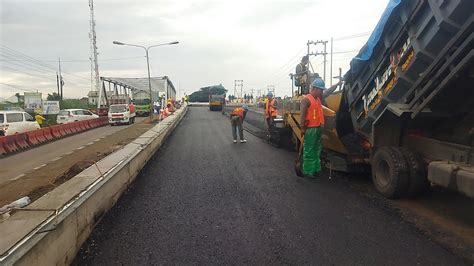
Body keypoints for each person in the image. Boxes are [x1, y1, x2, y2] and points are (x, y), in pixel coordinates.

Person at [300, 78, 326, 178]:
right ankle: (308, 171)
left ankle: (316, 169)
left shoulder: (318, 99)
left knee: (317, 149)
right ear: (314, 88)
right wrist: (302, 127)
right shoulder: (306, 99)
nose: (322, 92)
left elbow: (328, 92)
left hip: (318, 128)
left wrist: (337, 84)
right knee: (310, 150)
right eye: (321, 90)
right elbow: (302, 114)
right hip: (310, 129)